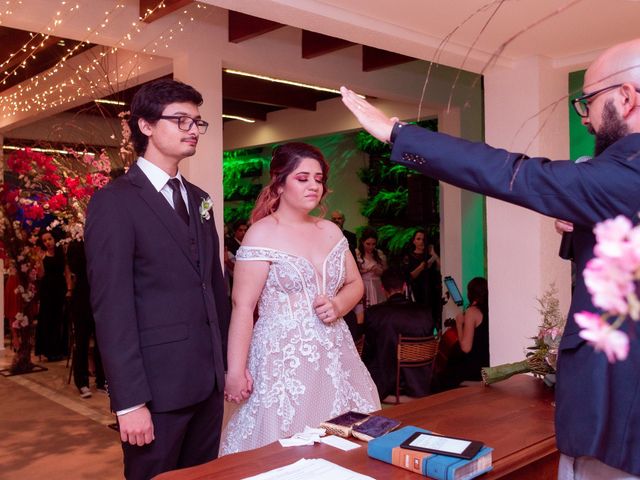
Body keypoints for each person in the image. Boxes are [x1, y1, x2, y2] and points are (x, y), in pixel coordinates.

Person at [340, 37, 640, 477]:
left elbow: (510, 173)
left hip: (621, 411)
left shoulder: (629, 166)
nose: (587, 118)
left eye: (588, 102)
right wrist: (588, 223)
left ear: (628, 98)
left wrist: (396, 134)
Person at [85, 79, 229, 480]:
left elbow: (214, 288)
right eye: (180, 119)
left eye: (197, 122)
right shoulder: (114, 201)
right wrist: (129, 402)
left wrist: (227, 366)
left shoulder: (200, 199)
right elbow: (111, 308)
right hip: (156, 388)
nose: (191, 129)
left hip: (207, 382)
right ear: (145, 125)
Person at [220, 142, 380, 455]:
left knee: (342, 440)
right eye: (303, 178)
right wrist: (235, 371)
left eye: (318, 179)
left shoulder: (331, 231)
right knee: (286, 444)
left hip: (334, 352)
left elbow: (354, 284)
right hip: (281, 358)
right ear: (279, 183)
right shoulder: (261, 234)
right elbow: (243, 307)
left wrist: (337, 305)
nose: (314, 186)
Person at [362, 267, 435, 401]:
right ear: (404, 286)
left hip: (386, 386)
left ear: (383, 289)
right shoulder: (425, 311)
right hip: (421, 384)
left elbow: (368, 353)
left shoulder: (375, 313)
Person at [67, 239, 106, 399]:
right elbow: (72, 267)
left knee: (102, 341)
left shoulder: (102, 238)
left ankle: (101, 379)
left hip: (100, 295)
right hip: (82, 296)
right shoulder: (76, 243)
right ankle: (81, 381)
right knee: (81, 341)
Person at [436, 277, 489, 390]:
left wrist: (459, 324)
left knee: (437, 382)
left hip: (473, 367)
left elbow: (465, 348)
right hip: (486, 363)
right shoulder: (489, 310)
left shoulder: (472, 312)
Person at [34, 231, 68, 362]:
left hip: (60, 289)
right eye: (45, 240)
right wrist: (38, 260)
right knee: (47, 319)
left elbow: (66, 272)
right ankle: (48, 350)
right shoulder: (42, 256)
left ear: (54, 239)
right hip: (47, 290)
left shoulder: (62, 254)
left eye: (49, 239)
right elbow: (41, 275)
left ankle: (60, 349)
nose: (48, 242)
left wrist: (69, 289)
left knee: (59, 319)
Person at [355, 227, 387, 308]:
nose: (371, 247)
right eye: (368, 244)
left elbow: (385, 271)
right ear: (362, 242)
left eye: (373, 244)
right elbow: (354, 272)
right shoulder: (357, 253)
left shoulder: (379, 253)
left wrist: (379, 271)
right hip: (364, 284)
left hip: (377, 285)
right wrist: (367, 270)